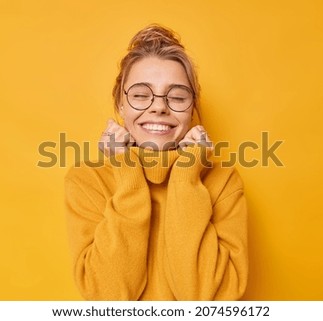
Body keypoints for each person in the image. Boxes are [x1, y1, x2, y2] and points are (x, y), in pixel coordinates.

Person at [64, 24, 248, 300]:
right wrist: (127, 172)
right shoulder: (87, 179)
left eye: (176, 97)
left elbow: (208, 301)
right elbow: (108, 300)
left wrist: (187, 175)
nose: (159, 107)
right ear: (121, 104)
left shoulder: (222, 182)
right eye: (140, 95)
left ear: (191, 108)